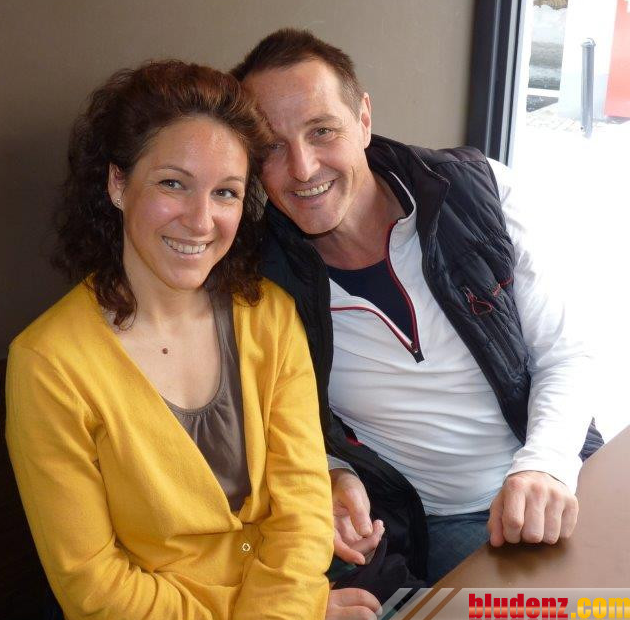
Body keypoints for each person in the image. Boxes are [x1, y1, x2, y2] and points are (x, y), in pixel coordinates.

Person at [231, 29, 604, 585]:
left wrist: (545, 464)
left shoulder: (478, 191)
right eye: (272, 147)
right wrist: (333, 472)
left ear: (363, 119)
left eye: (322, 131)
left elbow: (565, 353)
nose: (303, 168)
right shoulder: (259, 278)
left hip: (560, 464)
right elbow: (275, 420)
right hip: (447, 521)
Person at [5, 61, 339, 620]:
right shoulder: (49, 364)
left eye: (226, 192)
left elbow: (304, 510)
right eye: (173, 183)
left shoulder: (271, 317)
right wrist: (284, 617)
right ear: (117, 184)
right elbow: (94, 589)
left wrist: (284, 612)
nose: (201, 221)